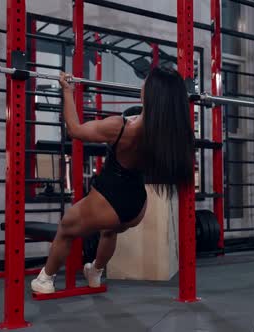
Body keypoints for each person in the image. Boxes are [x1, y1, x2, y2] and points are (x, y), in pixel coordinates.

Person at [31, 67, 195, 293]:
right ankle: (95, 272)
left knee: (66, 228)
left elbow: (75, 130)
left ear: (150, 94)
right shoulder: (166, 133)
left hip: (110, 198)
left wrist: (67, 91)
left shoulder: (122, 127)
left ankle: (45, 280)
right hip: (136, 206)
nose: (142, 84)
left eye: (145, 82)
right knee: (109, 231)